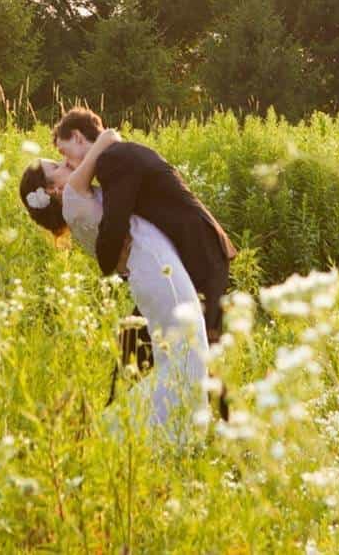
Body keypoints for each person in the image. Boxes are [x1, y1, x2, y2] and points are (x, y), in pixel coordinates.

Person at [20, 128, 210, 439]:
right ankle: (119, 432)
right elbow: (108, 137)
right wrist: (81, 148)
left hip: (151, 267)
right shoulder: (72, 194)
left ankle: (150, 432)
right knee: (185, 357)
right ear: (52, 190)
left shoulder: (76, 198)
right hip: (154, 268)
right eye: (55, 166)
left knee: (183, 356)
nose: (63, 163)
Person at [53, 109, 237, 346]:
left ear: (78, 137)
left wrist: (107, 261)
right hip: (194, 254)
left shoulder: (113, 159)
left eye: (63, 152)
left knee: (195, 352)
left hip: (201, 254)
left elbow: (114, 225)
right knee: (138, 344)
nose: (66, 163)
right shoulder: (118, 154)